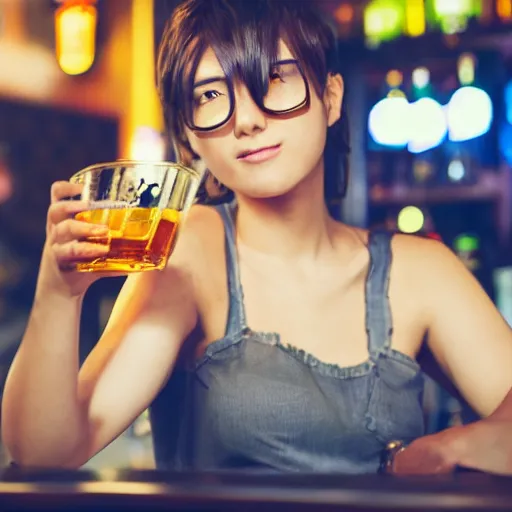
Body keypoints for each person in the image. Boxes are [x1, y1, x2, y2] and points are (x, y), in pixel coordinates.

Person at [2, 0, 512, 475]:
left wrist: (448, 448)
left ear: (330, 98)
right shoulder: (189, 252)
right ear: (192, 131)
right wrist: (57, 296)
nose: (246, 119)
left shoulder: (418, 271)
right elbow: (44, 453)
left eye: (273, 79)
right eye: (210, 95)